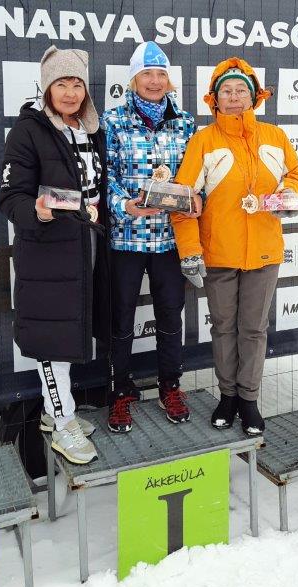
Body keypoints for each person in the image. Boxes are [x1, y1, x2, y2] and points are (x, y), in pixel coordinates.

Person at [171, 57, 298, 436]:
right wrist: (190, 250)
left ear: (253, 96)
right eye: (226, 91)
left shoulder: (275, 137)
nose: (233, 97)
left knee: (254, 330)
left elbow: (295, 176)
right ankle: (227, 397)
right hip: (219, 254)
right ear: (214, 99)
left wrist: (287, 196)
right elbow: (182, 199)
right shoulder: (203, 141)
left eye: (240, 90)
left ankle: (249, 400)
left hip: (264, 252)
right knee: (224, 328)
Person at [0, 45, 110, 463]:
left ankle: (54, 411)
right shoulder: (27, 131)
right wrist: (38, 211)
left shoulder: (90, 128)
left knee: (72, 329)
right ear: (46, 88)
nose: (70, 92)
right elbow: (10, 197)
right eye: (61, 83)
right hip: (47, 254)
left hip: (86, 247)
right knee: (53, 340)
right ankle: (63, 423)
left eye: (77, 83)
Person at [101, 41, 201, 433]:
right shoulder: (112, 121)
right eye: (147, 74)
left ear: (169, 80)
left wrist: (197, 198)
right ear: (134, 79)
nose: (155, 81)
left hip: (170, 239)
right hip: (126, 238)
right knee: (121, 318)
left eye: (161, 74)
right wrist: (123, 204)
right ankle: (120, 393)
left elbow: (198, 176)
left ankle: (169, 387)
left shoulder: (186, 123)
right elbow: (103, 176)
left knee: (171, 316)